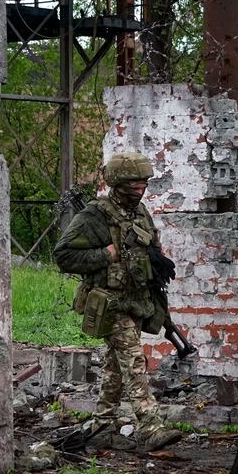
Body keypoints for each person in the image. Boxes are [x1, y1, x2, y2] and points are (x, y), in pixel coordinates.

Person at [53, 152, 184, 452]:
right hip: (109, 303)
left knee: (114, 365)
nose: (140, 190)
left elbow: (151, 254)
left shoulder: (140, 214)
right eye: (133, 184)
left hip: (136, 301)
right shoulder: (94, 216)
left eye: (143, 184)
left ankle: (102, 424)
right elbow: (63, 255)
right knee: (134, 361)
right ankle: (150, 426)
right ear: (117, 184)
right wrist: (106, 255)